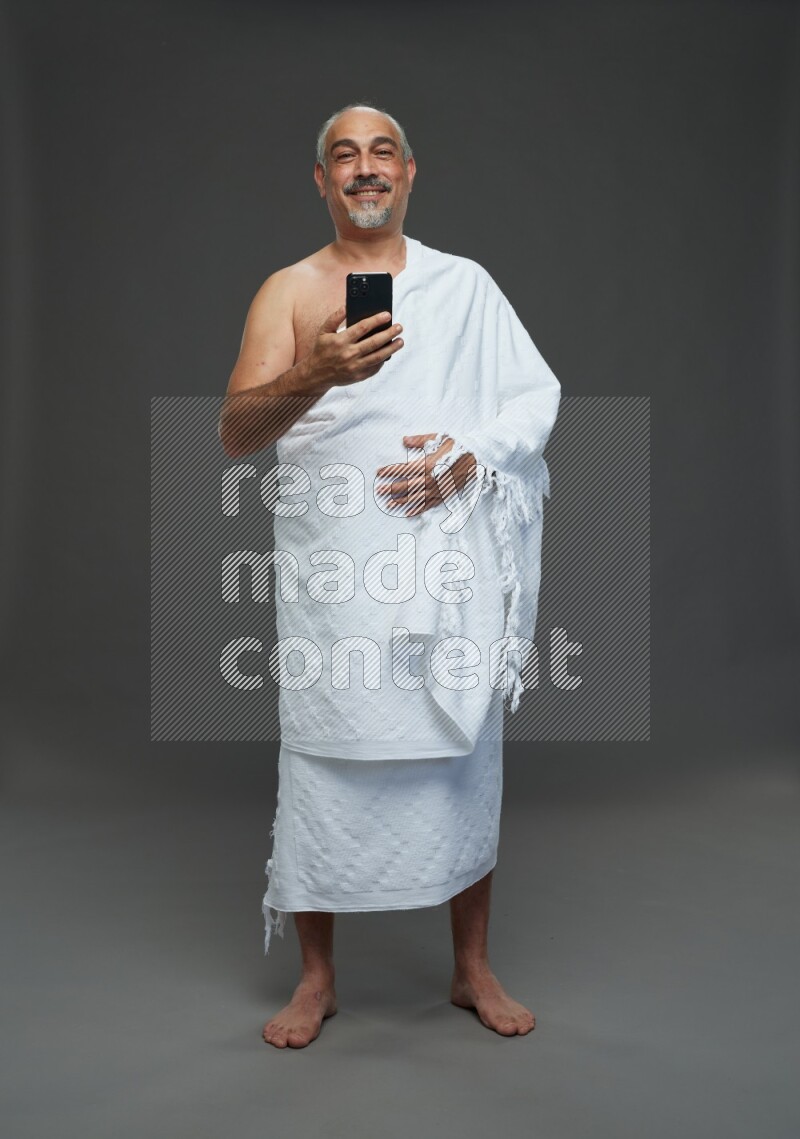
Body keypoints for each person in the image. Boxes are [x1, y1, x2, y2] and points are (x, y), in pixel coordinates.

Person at [219, 102, 560, 1048]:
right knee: (324, 758)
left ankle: (471, 968)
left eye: (382, 153)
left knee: (463, 754)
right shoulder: (288, 291)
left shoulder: (467, 287)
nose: (365, 169)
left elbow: (534, 397)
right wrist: (314, 373)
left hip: (445, 570)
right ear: (321, 182)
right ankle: (317, 979)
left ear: (410, 173)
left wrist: (471, 459)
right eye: (344, 156)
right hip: (336, 581)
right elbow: (236, 434)